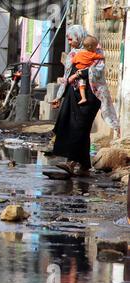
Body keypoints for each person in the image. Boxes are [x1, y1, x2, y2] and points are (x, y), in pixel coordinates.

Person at [50, 25, 120, 177]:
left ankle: (70, 162)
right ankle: (84, 164)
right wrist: (59, 96)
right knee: (72, 126)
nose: (69, 43)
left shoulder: (95, 49)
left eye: (71, 39)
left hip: (90, 95)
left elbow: (99, 70)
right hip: (72, 94)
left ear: (79, 37)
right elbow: (67, 74)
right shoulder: (73, 53)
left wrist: (82, 73)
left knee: (80, 127)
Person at [72, 35, 104, 105]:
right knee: (82, 85)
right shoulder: (91, 54)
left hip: (78, 70)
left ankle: (82, 96)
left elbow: (73, 61)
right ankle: (83, 98)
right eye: (95, 46)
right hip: (83, 71)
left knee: (80, 84)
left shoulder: (79, 54)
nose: (96, 48)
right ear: (90, 47)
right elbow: (101, 56)